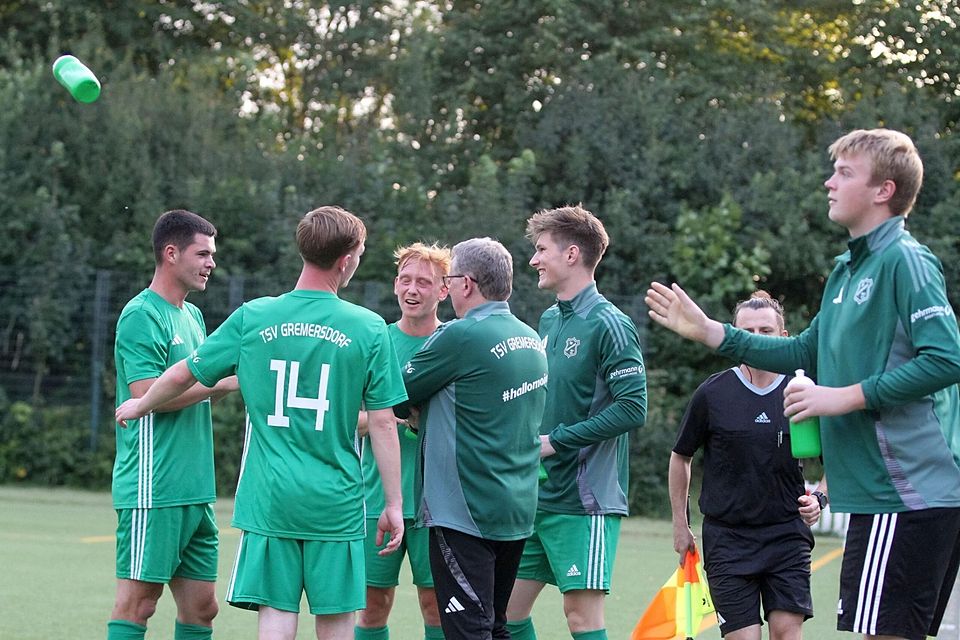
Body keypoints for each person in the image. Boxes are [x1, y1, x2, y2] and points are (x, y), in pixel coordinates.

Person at [646, 128, 960, 640]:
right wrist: (712, 332)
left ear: (884, 190)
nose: (828, 182)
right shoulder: (844, 271)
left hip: (909, 492)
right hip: (883, 496)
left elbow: (947, 358)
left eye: (844, 172)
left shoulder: (905, 259)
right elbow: (801, 351)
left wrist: (843, 397)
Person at [116, 205, 406, 640]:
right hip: (336, 499)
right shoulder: (368, 327)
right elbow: (383, 424)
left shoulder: (254, 316)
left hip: (269, 498)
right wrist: (394, 504)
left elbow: (183, 372)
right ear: (346, 260)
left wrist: (140, 406)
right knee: (336, 620)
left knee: (269, 616)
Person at [506, 205, 647, 640]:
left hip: (585, 500)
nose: (533, 259)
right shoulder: (549, 319)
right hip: (538, 495)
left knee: (581, 619)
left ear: (571, 255)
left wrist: (557, 441)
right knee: (505, 614)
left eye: (541, 249)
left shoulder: (611, 324)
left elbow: (632, 408)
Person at [398, 237, 548, 640]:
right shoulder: (530, 337)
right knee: (496, 626)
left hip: (466, 513)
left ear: (466, 283)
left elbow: (396, 396)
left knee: (469, 630)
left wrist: (417, 414)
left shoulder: (461, 336)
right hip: (516, 509)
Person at [109, 209, 238, 640]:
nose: (211, 264)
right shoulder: (141, 314)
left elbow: (202, 385)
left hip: (196, 488)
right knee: (138, 604)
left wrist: (235, 380)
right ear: (170, 253)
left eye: (212, 255)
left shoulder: (194, 317)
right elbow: (148, 397)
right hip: (155, 487)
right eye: (202, 254)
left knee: (202, 609)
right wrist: (223, 382)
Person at [669, 291, 826, 640]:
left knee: (788, 634)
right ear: (735, 337)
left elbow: (835, 460)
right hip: (728, 539)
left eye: (766, 331)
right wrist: (681, 524)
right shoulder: (713, 393)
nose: (757, 339)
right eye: (748, 331)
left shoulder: (803, 391)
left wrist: (820, 499)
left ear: (784, 338)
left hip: (787, 535)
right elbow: (681, 456)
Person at [355, 242, 450, 640]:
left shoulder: (456, 341)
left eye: (424, 283)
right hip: (375, 496)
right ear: (395, 285)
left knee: (436, 606)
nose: (413, 290)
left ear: (444, 290)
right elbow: (347, 418)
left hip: (439, 502)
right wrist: (388, 420)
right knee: (373, 605)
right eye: (406, 280)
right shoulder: (376, 340)